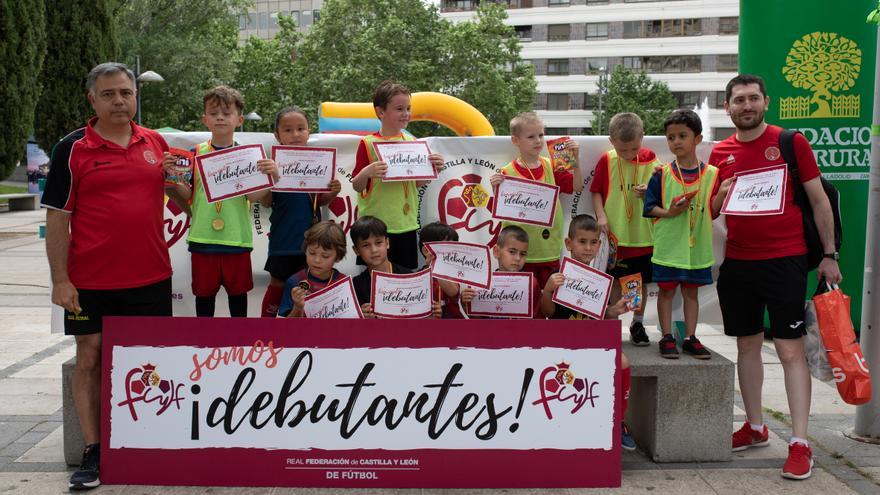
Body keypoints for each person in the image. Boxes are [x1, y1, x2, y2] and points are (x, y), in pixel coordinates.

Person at [42, 62, 186, 491]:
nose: (119, 101)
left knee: (152, 363)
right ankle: (93, 451)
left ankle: (148, 441)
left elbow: (184, 201)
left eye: (126, 92)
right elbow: (57, 219)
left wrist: (177, 183)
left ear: (135, 96)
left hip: (151, 276)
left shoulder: (156, 142)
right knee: (89, 358)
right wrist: (61, 280)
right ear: (93, 99)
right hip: (90, 281)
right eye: (109, 94)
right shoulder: (71, 149)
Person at [710, 74, 842, 480]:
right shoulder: (719, 152)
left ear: (766, 102)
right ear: (727, 108)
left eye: (753, 98)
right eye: (738, 100)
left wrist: (829, 255)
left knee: (789, 350)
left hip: (785, 260)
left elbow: (819, 201)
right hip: (738, 262)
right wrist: (720, 193)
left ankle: (800, 442)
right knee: (746, 345)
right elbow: (710, 210)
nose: (746, 106)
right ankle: (755, 427)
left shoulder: (790, 142)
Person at [169, 86, 278, 318]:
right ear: (205, 119)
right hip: (202, 239)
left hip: (236, 239)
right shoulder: (194, 153)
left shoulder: (248, 156)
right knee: (204, 298)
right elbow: (187, 195)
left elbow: (253, 197)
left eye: (227, 113)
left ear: (239, 120)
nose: (220, 117)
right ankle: (204, 339)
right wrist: (172, 176)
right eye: (214, 113)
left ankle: (239, 340)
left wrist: (272, 178)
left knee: (238, 299)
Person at [540, 215, 636, 450]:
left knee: (623, 362)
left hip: (590, 342)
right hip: (561, 343)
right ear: (568, 243)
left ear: (599, 245)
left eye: (593, 242)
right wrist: (548, 290)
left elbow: (601, 315)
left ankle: (618, 421)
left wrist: (614, 310)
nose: (587, 248)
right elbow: (546, 312)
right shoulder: (558, 275)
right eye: (582, 241)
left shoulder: (599, 281)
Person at [643, 110, 719, 360]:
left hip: (696, 250)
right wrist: (669, 212)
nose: (676, 141)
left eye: (682, 136)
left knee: (691, 293)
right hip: (668, 248)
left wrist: (723, 193)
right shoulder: (661, 174)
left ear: (698, 139)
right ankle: (666, 336)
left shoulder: (712, 174)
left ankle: (690, 338)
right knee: (665, 292)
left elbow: (714, 210)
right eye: (671, 137)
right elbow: (649, 207)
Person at [351, 80, 444, 270]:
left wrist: (433, 169)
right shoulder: (367, 143)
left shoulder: (413, 142)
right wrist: (366, 173)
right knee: (376, 276)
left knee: (404, 276)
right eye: (399, 109)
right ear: (381, 112)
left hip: (406, 224)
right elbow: (357, 185)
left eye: (408, 108)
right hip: (375, 228)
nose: (406, 114)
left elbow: (416, 184)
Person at [259, 107, 341, 317]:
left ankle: (303, 329)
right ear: (277, 135)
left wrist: (333, 192)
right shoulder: (274, 164)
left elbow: (319, 201)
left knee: (307, 287)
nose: (295, 134)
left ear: (308, 131)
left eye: (300, 129)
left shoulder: (318, 162)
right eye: (288, 130)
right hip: (283, 241)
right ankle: (265, 327)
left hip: (312, 243)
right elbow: (266, 202)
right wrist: (269, 178)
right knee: (278, 284)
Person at [591, 112, 662, 346]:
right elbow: (596, 191)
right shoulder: (607, 160)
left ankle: (637, 324)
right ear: (611, 141)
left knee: (638, 282)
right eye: (623, 149)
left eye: (634, 148)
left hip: (643, 236)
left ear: (642, 137)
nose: (629, 153)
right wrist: (601, 215)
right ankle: (613, 322)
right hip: (615, 235)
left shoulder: (653, 162)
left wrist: (649, 193)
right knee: (614, 282)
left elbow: (663, 196)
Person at [490, 112, 584, 290]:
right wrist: (495, 189)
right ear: (515, 140)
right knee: (523, 301)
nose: (538, 141)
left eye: (541, 135)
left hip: (549, 250)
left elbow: (577, 187)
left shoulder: (552, 166)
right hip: (519, 255)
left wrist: (576, 161)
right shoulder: (506, 173)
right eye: (531, 137)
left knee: (548, 299)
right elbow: (500, 210)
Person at [349, 216, 442, 318]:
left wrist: (430, 315)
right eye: (366, 245)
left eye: (378, 243)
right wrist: (360, 317)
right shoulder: (355, 286)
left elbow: (419, 320)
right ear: (356, 250)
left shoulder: (410, 277)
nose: (374, 250)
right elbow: (351, 326)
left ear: (387, 243)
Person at [460, 225, 543, 319]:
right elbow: (479, 323)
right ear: (496, 252)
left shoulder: (532, 284)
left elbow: (538, 321)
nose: (518, 258)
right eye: (512, 252)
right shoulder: (482, 285)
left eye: (523, 254)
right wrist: (467, 305)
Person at [278, 220, 347, 318]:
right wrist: (298, 307)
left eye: (325, 256)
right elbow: (284, 325)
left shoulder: (344, 284)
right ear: (305, 250)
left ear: (338, 257)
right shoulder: (294, 281)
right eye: (312, 253)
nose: (317, 260)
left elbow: (351, 322)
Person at [418, 221, 463, 319]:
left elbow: (453, 292)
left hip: (454, 324)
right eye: (444, 247)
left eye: (453, 248)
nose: (450, 252)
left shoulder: (453, 272)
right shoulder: (417, 277)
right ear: (426, 251)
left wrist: (436, 268)